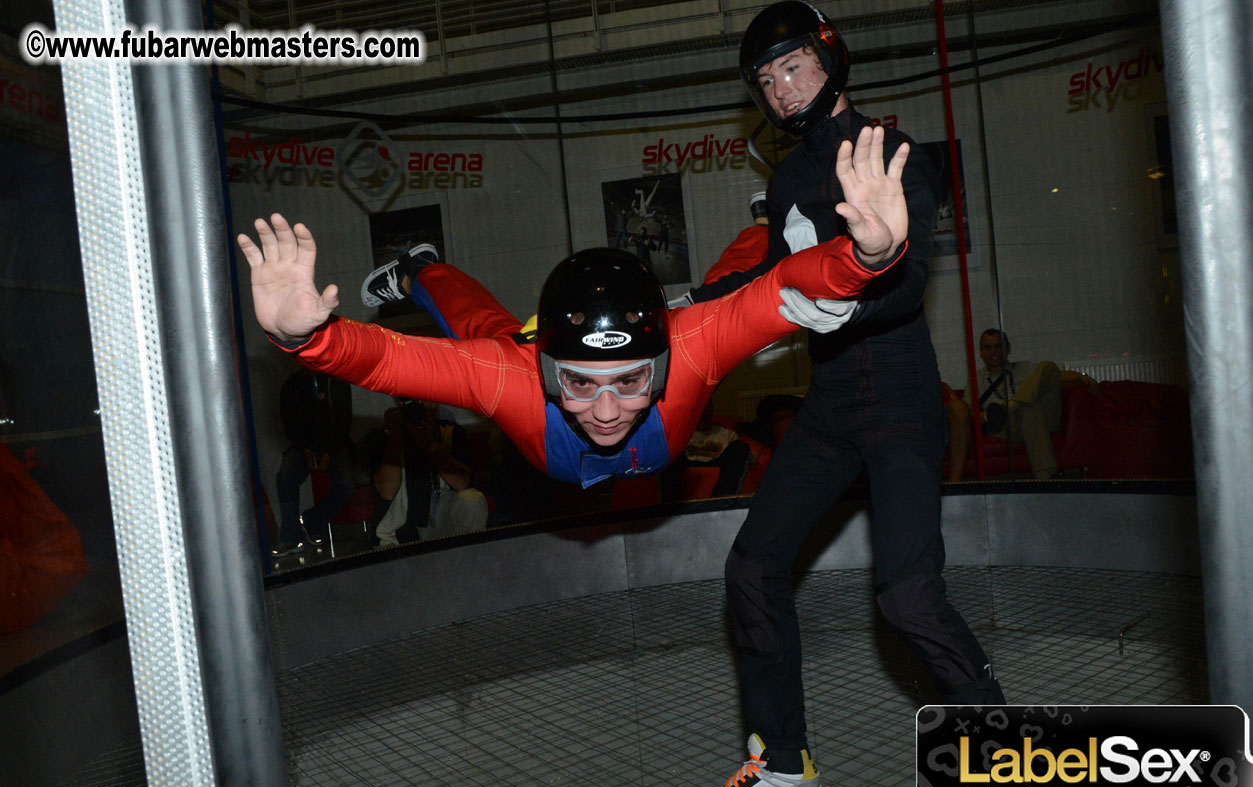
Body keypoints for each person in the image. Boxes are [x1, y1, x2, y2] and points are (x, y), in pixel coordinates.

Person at [685, 5, 1025, 787]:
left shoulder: (889, 155)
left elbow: (904, 286)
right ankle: (785, 762)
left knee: (906, 595)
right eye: (764, 81)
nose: (778, 88)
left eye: (790, 67)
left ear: (830, 60)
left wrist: (857, 285)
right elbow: (766, 279)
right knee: (751, 569)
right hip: (832, 405)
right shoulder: (787, 180)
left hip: (902, 399)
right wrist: (684, 318)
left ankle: (1008, 775)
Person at [238, 126, 909, 491]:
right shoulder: (516, 372)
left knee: (730, 298)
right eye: (580, 384)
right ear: (547, 369)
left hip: (660, 350)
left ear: (664, 359)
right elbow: (389, 359)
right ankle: (420, 267)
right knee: (487, 335)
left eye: (630, 381)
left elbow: (780, 290)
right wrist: (308, 341)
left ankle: (760, 225)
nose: (611, 411)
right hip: (530, 366)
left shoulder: (690, 342)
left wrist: (866, 258)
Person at [955, 328, 1096, 480]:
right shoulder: (976, 380)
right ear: (981, 352)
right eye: (988, 347)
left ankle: (1013, 405)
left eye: (998, 346)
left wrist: (1082, 376)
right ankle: (1044, 475)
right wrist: (987, 416)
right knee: (1030, 407)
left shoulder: (1024, 368)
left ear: (1007, 348)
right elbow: (966, 415)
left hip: (1038, 419)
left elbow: (1055, 375)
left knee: (1047, 366)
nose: (993, 351)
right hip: (1008, 426)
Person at [364, 398, 488, 544]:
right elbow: (386, 491)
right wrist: (396, 438)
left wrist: (430, 444)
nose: (419, 407)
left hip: (444, 515)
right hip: (402, 523)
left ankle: (465, 561)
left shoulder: (451, 432)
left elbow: (461, 483)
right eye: (411, 401)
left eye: (424, 399)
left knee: (473, 500)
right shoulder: (384, 436)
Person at [273, 367, 358, 557]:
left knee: (349, 484)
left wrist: (328, 451)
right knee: (285, 476)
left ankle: (312, 521)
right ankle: (290, 538)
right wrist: (305, 448)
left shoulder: (336, 380)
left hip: (334, 444)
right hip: (304, 444)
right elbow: (290, 423)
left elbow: (344, 421)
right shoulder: (292, 385)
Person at [659, 399, 753, 502]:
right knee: (668, 451)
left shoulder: (726, 434)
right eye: (700, 408)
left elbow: (746, 455)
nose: (703, 412)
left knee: (740, 447)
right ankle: (670, 504)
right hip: (687, 463)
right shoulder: (681, 433)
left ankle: (720, 500)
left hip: (717, 462)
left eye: (707, 407)